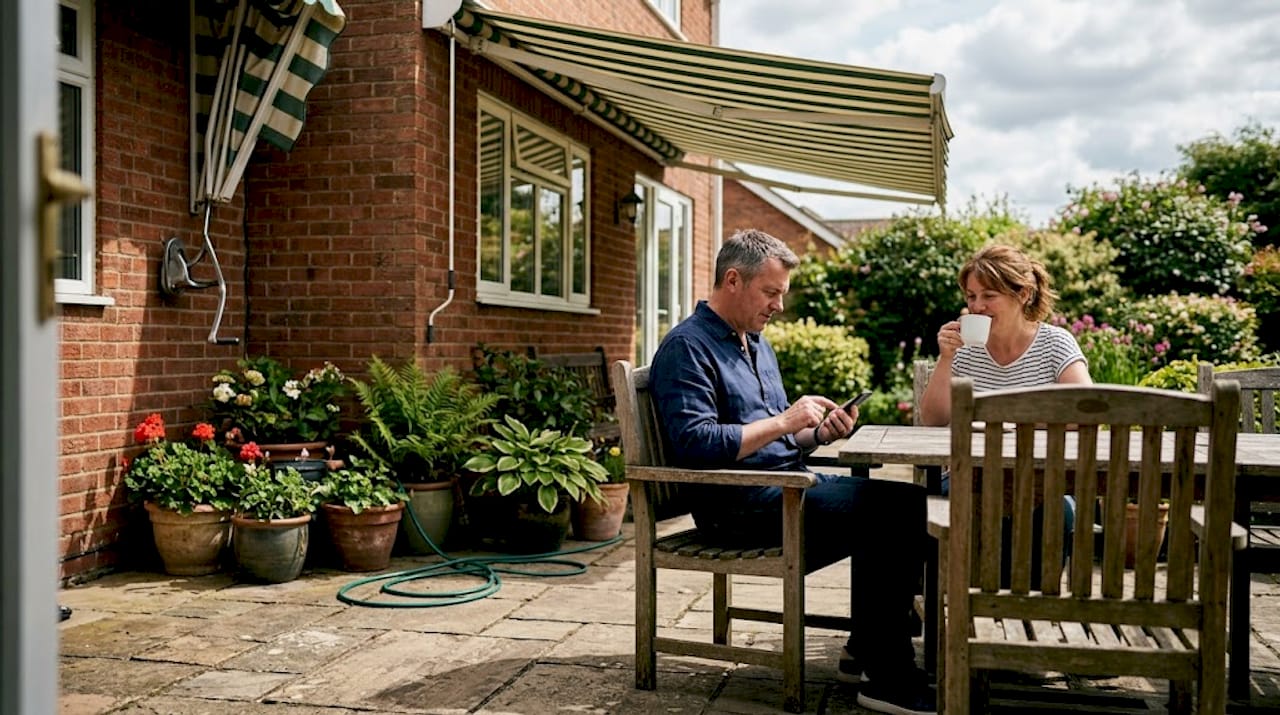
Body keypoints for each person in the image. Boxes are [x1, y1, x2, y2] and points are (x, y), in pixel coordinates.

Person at [649, 229, 934, 715]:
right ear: (733, 280)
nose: (779, 305)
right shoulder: (687, 348)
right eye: (771, 292)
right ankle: (886, 676)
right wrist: (785, 420)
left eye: (781, 294)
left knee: (907, 503)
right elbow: (696, 445)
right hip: (737, 506)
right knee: (894, 511)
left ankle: (869, 651)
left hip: (784, 487)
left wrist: (818, 435)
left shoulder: (755, 342)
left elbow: (777, 439)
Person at [918, 243, 1091, 586]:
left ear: (1023, 294)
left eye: (989, 296)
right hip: (972, 478)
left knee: (1058, 512)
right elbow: (934, 419)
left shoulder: (1054, 344)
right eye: (971, 297)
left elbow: (1085, 407)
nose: (977, 306)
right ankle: (977, 604)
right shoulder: (965, 351)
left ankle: (1031, 611)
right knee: (954, 507)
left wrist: (1020, 422)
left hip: (1044, 479)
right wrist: (947, 358)